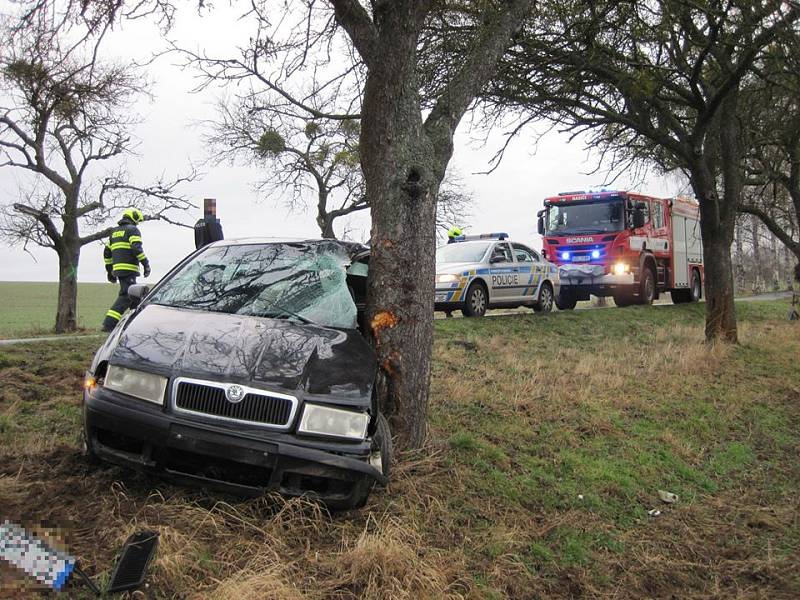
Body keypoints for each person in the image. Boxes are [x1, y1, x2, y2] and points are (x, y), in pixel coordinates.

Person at [102, 208, 151, 332]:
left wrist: (109, 270)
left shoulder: (114, 232)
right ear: (133, 218)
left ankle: (135, 323)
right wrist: (146, 264)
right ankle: (109, 324)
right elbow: (136, 248)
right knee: (126, 295)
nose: (137, 224)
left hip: (118, 269)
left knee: (135, 296)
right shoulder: (132, 230)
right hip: (129, 268)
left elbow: (107, 253)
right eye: (137, 221)